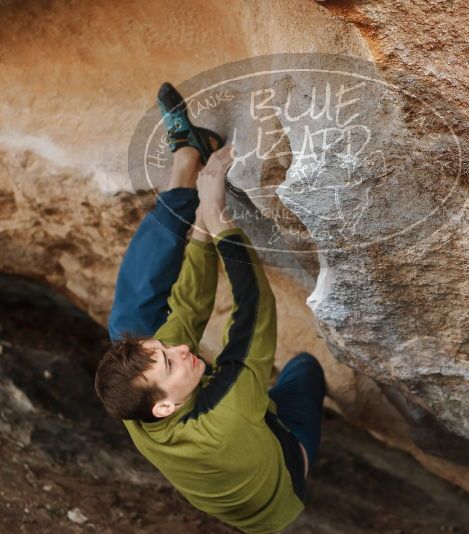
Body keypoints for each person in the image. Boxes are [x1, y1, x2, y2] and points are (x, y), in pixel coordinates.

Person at [95, 83, 326, 533]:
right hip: (281, 482)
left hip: (226, 429)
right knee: (304, 368)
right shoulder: (226, 411)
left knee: (127, 324)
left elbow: (185, 310)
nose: (181, 350)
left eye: (164, 347)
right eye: (168, 360)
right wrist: (219, 218)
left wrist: (199, 230)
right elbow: (255, 310)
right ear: (163, 408)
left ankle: (187, 157)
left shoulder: (140, 404)